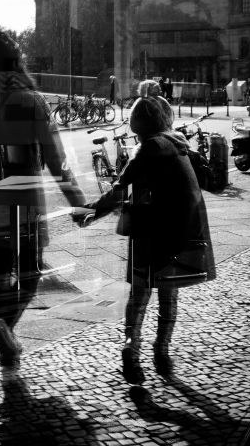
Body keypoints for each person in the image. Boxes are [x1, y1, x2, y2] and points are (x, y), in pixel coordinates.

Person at [0, 31, 85, 366]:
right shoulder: (32, 101)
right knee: (30, 269)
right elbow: (56, 158)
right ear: (18, 61)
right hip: (23, 196)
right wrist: (76, 198)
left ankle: (6, 335)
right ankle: (5, 326)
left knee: (1, 267)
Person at [82, 82, 215, 384]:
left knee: (140, 293)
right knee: (169, 293)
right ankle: (163, 351)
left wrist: (91, 212)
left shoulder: (148, 147)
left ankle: (131, 353)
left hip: (153, 229)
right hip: (184, 228)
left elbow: (118, 190)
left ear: (138, 126)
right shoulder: (178, 142)